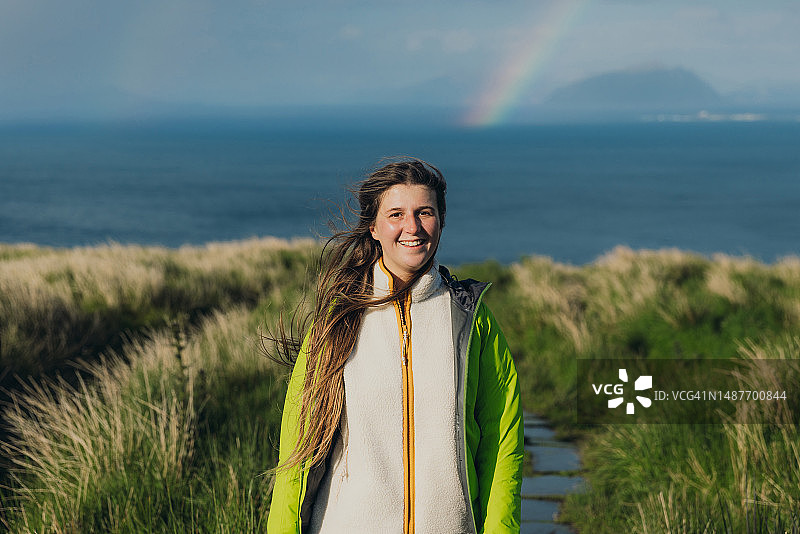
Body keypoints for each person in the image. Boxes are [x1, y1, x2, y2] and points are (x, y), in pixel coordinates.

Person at [266, 158, 523, 533]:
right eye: (396, 214)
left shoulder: (472, 319)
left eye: (425, 212)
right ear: (374, 227)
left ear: (442, 220)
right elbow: (298, 455)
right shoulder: (338, 322)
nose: (413, 227)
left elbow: (502, 445)